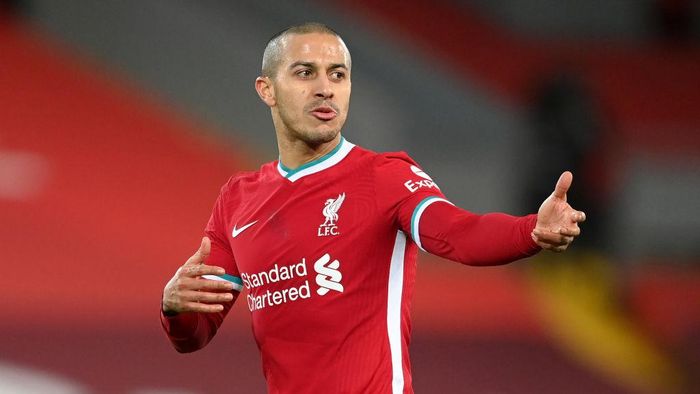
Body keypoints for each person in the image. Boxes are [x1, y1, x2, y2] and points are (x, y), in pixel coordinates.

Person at [160, 22, 586, 394]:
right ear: (266, 89)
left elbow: (457, 233)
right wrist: (174, 307)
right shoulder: (238, 200)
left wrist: (531, 230)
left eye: (338, 74)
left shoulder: (384, 176)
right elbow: (194, 334)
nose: (325, 87)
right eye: (305, 72)